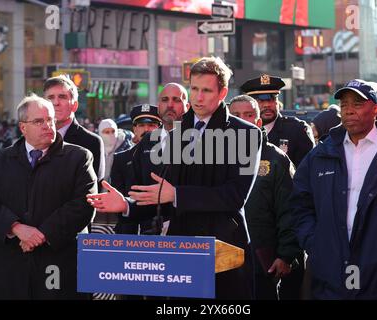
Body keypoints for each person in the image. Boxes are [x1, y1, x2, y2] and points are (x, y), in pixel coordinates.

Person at [88, 57, 262, 299]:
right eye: (194, 89)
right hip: (182, 254)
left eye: (207, 91)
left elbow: (235, 196)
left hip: (224, 251)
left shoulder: (246, 133)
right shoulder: (177, 132)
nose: (198, 98)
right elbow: (163, 195)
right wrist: (127, 206)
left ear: (222, 93)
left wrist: (178, 195)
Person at [290, 79, 377, 299]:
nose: (349, 111)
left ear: (375, 109)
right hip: (331, 271)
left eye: (357, 104)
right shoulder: (321, 154)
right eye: (344, 105)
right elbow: (299, 203)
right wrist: (317, 243)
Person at [0, 94, 97, 299]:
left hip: (58, 265)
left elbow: (84, 205)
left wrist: (41, 234)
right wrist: (15, 228)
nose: (47, 125)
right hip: (10, 267)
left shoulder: (79, 157)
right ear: (23, 127)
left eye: (50, 119)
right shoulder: (1, 160)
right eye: (39, 121)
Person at [228, 95, 302, 300]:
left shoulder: (277, 159)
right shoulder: (212, 157)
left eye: (248, 115)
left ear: (258, 121)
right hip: (223, 259)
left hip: (263, 260)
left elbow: (290, 211)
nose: (242, 120)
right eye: (235, 115)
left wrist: (285, 255)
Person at [240, 74, 315, 167]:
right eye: (260, 101)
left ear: (277, 102)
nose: (267, 105)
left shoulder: (297, 129)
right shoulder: (241, 130)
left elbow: (309, 170)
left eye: (272, 99)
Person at [110, 104, 163, 235]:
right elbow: (119, 195)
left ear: (159, 128)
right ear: (134, 128)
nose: (146, 129)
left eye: (152, 125)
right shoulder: (120, 159)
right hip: (128, 230)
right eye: (141, 125)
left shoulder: (169, 157)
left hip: (160, 229)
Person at [43, 75, 105, 182]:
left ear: (74, 105)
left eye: (62, 97)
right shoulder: (32, 138)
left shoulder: (91, 142)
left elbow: (94, 189)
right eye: (50, 97)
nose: (55, 103)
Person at [98, 118, 134, 182]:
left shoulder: (126, 148)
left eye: (113, 131)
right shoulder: (96, 148)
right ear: (100, 133)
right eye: (107, 132)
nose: (111, 135)